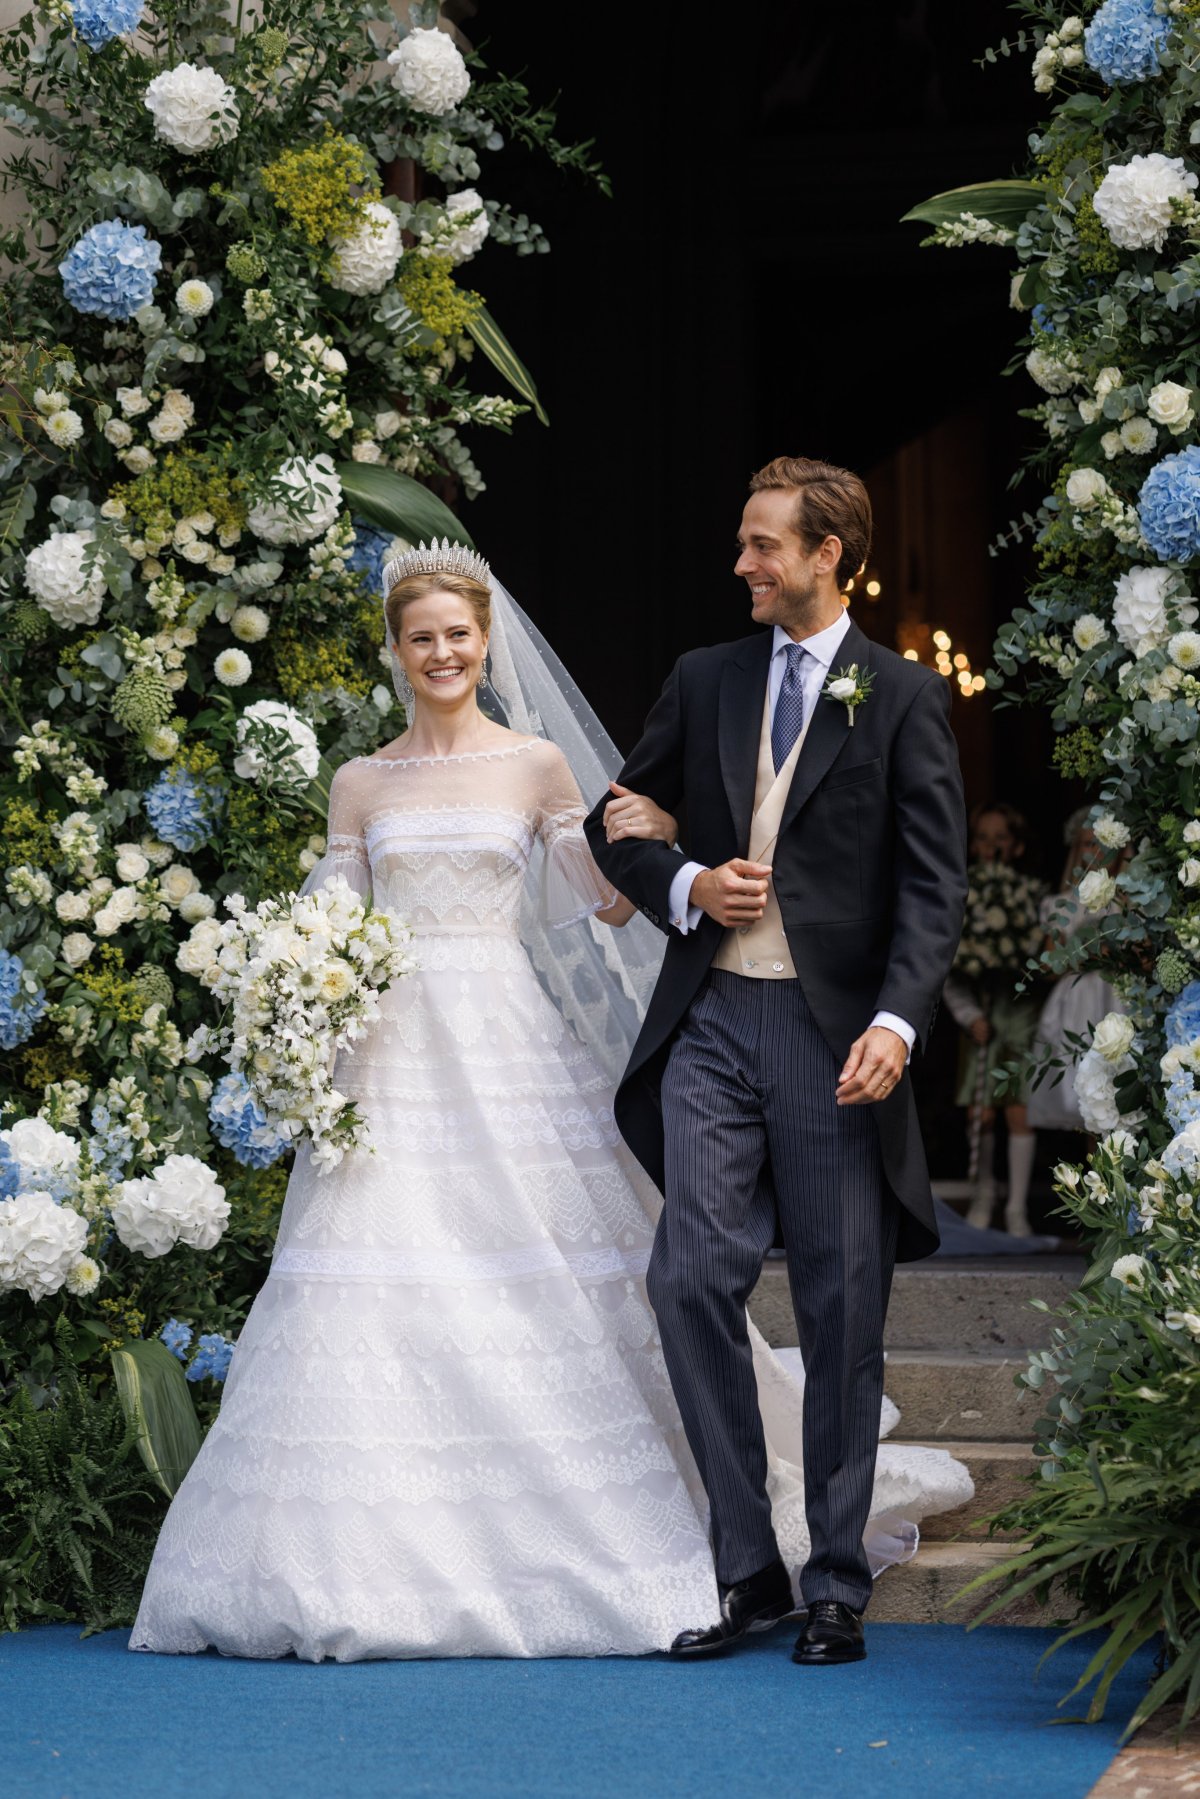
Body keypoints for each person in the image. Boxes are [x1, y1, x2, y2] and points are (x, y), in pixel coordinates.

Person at [129, 541, 970, 1662]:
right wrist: (287, 977)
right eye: (420, 636)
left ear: (487, 644)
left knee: (574, 1267)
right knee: (371, 1277)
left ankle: (761, 1558)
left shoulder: (533, 764)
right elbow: (328, 912)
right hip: (387, 1053)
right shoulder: (360, 781)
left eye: (459, 634)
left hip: (505, 1033)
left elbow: (609, 901)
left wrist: (666, 859)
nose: (442, 652)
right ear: (395, 650)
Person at [586, 455, 968, 1668]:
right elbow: (618, 817)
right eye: (744, 542)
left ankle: (837, 1578)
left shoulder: (901, 695)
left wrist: (898, 1024)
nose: (743, 563)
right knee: (688, 1274)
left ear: (825, 556)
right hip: (711, 1022)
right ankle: (749, 1566)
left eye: (764, 545)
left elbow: (931, 883)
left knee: (843, 1300)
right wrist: (690, 879)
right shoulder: (705, 679)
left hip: (833, 1036)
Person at [943, 802, 1044, 1237]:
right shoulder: (963, 894)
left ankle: (1018, 1208)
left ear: (1017, 846)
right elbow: (946, 968)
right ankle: (983, 1195)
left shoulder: (1032, 898)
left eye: (1000, 838)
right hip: (981, 1017)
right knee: (981, 1111)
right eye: (982, 838)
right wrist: (968, 1014)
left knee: (1018, 1110)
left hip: (1020, 1014)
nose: (990, 847)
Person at [1026, 809, 1125, 1133]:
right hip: (1078, 1003)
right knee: (1084, 1100)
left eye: (1101, 843)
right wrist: (1091, 952)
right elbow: (1050, 965)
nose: (1093, 852)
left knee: (1121, 1092)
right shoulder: (1062, 905)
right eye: (1085, 844)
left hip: (1118, 1000)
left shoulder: (1129, 902)